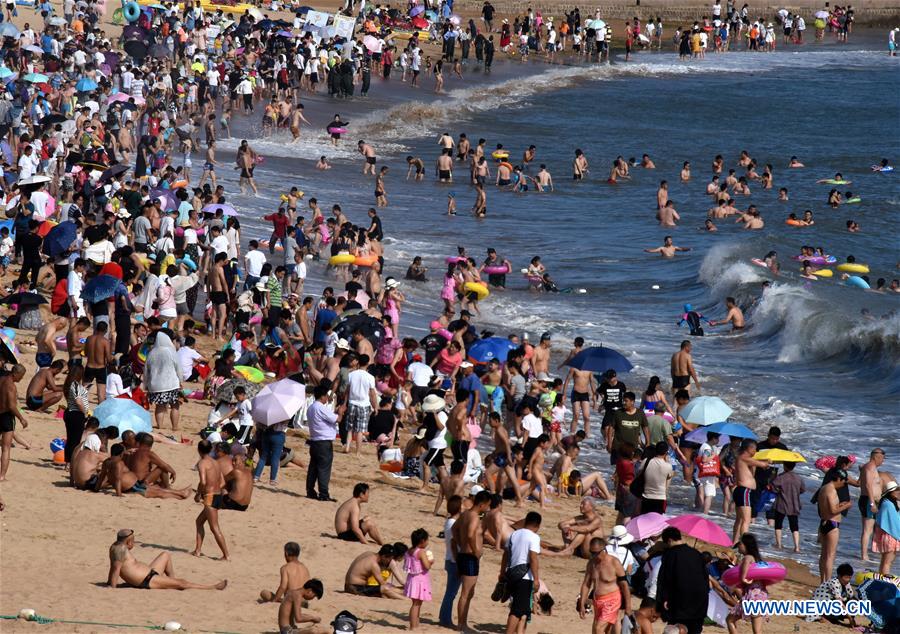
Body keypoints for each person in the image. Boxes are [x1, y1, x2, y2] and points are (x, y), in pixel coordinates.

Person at [108, 529, 226, 590]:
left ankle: (171, 582)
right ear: (128, 542)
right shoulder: (121, 550)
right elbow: (116, 568)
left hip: (149, 573)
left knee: (165, 555)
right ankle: (211, 587)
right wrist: (112, 586)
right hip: (147, 581)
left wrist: (109, 582)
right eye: (133, 541)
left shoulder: (115, 546)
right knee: (182, 583)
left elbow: (112, 567)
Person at [193, 448, 254, 561]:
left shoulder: (235, 472)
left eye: (236, 461)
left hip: (223, 500)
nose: (233, 463)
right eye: (233, 461)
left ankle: (226, 555)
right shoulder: (249, 472)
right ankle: (197, 550)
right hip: (243, 505)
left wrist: (200, 493)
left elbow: (218, 482)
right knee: (199, 521)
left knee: (214, 527)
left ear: (242, 462)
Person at [655, 527, 708, 634]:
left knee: (676, 629)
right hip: (699, 601)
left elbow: (665, 579)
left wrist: (664, 598)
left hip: (679, 601)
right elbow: (705, 577)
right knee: (695, 630)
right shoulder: (696, 553)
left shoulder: (670, 554)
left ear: (669, 540)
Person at [452, 489, 491, 631]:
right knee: (466, 593)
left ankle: (463, 623)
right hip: (469, 557)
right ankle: (461, 624)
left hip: (463, 554)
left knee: (468, 593)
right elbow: (469, 534)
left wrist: (460, 544)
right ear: (482, 504)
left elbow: (454, 529)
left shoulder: (465, 514)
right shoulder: (474, 516)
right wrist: (475, 551)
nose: (487, 508)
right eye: (487, 505)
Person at [578, 536, 633, 634]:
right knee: (599, 630)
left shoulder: (614, 562)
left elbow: (624, 585)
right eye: (591, 552)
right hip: (597, 601)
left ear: (603, 549)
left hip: (612, 600)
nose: (593, 556)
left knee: (598, 628)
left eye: (596, 553)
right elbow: (586, 584)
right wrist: (582, 604)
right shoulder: (591, 564)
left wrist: (628, 606)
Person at [501, 511, 543, 633]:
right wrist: (536, 579)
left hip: (511, 574)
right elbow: (533, 558)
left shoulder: (514, 534)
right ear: (537, 525)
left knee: (522, 609)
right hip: (524, 578)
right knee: (517, 610)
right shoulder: (534, 537)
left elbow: (505, 554)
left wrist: (502, 572)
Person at [726, 533, 768, 634]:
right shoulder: (757, 559)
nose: (738, 546)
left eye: (740, 544)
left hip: (752, 596)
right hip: (761, 594)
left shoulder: (747, 558)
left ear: (746, 545)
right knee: (757, 631)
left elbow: (743, 578)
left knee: (730, 620)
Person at [817, 469, 852, 582]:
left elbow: (828, 507)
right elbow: (833, 510)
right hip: (832, 524)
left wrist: (840, 504)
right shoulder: (831, 490)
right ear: (838, 479)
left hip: (824, 522)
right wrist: (846, 506)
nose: (843, 484)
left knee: (823, 554)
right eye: (843, 481)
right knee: (830, 556)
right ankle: (827, 582)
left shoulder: (824, 488)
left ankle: (823, 581)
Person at [732, 439, 770, 545]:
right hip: (744, 491)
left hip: (741, 490)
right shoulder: (744, 458)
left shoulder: (742, 459)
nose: (755, 451)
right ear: (749, 448)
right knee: (746, 520)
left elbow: (752, 473)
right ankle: (744, 545)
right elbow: (763, 465)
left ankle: (735, 542)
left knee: (740, 519)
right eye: (754, 449)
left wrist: (755, 465)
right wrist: (768, 461)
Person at [439, 495, 463, 627]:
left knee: (450, 592)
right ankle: (445, 620)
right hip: (454, 561)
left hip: (450, 559)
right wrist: (459, 563)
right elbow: (454, 545)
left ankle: (444, 617)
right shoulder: (453, 523)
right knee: (451, 593)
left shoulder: (449, 522)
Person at [0, 365, 27, 481]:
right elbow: (11, 406)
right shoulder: (11, 386)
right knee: (6, 448)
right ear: (15, 374)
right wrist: (21, 418)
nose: (21, 378)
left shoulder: (1, 379)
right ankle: (2, 476)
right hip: (6, 416)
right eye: (21, 376)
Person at [859, 447, 886, 562]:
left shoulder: (868, 467)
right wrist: (872, 503)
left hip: (871, 500)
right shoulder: (870, 467)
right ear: (876, 457)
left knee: (872, 528)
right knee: (867, 529)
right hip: (868, 501)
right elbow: (868, 485)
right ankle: (864, 555)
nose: (882, 461)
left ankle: (870, 551)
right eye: (882, 459)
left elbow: (861, 482)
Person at [771, 461, 804, 553]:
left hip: (781, 503)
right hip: (794, 504)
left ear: (784, 466)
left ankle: (779, 544)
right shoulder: (799, 478)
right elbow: (802, 489)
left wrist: (773, 479)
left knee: (778, 524)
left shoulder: (781, 477)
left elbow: (773, 487)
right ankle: (797, 547)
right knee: (794, 526)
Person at [403, 528, 433, 630]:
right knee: (416, 604)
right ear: (422, 541)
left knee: (417, 603)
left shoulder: (409, 551)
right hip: (419, 580)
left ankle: (416, 624)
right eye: (427, 540)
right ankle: (413, 626)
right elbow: (427, 566)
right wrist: (431, 562)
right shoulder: (420, 552)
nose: (427, 542)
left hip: (412, 579)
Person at [873, 480, 900, 575]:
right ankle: (885, 579)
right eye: (897, 490)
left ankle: (882, 577)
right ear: (891, 492)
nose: (899, 492)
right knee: (888, 562)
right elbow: (894, 524)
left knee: (885, 560)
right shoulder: (888, 505)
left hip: (887, 536)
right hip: (890, 536)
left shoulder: (887, 502)